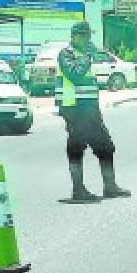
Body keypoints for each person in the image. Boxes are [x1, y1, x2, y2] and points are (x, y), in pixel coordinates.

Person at [56, 21, 131, 203]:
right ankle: (78, 190)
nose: (88, 40)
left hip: (90, 109)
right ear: (75, 36)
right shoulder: (66, 54)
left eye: (89, 36)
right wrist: (87, 56)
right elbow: (75, 74)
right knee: (76, 148)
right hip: (74, 108)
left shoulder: (82, 54)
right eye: (84, 36)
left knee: (105, 146)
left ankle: (110, 186)